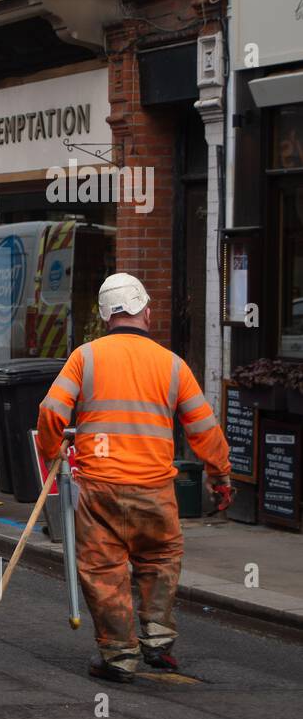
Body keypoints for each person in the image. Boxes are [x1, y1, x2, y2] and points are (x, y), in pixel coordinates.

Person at [37, 273, 231, 684]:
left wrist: (53, 452)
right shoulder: (173, 365)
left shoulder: (85, 357)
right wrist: (220, 474)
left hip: (100, 488)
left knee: (104, 569)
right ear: (146, 311)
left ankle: (119, 656)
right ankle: (158, 641)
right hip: (155, 489)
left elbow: (51, 411)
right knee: (159, 561)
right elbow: (204, 428)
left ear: (106, 316)